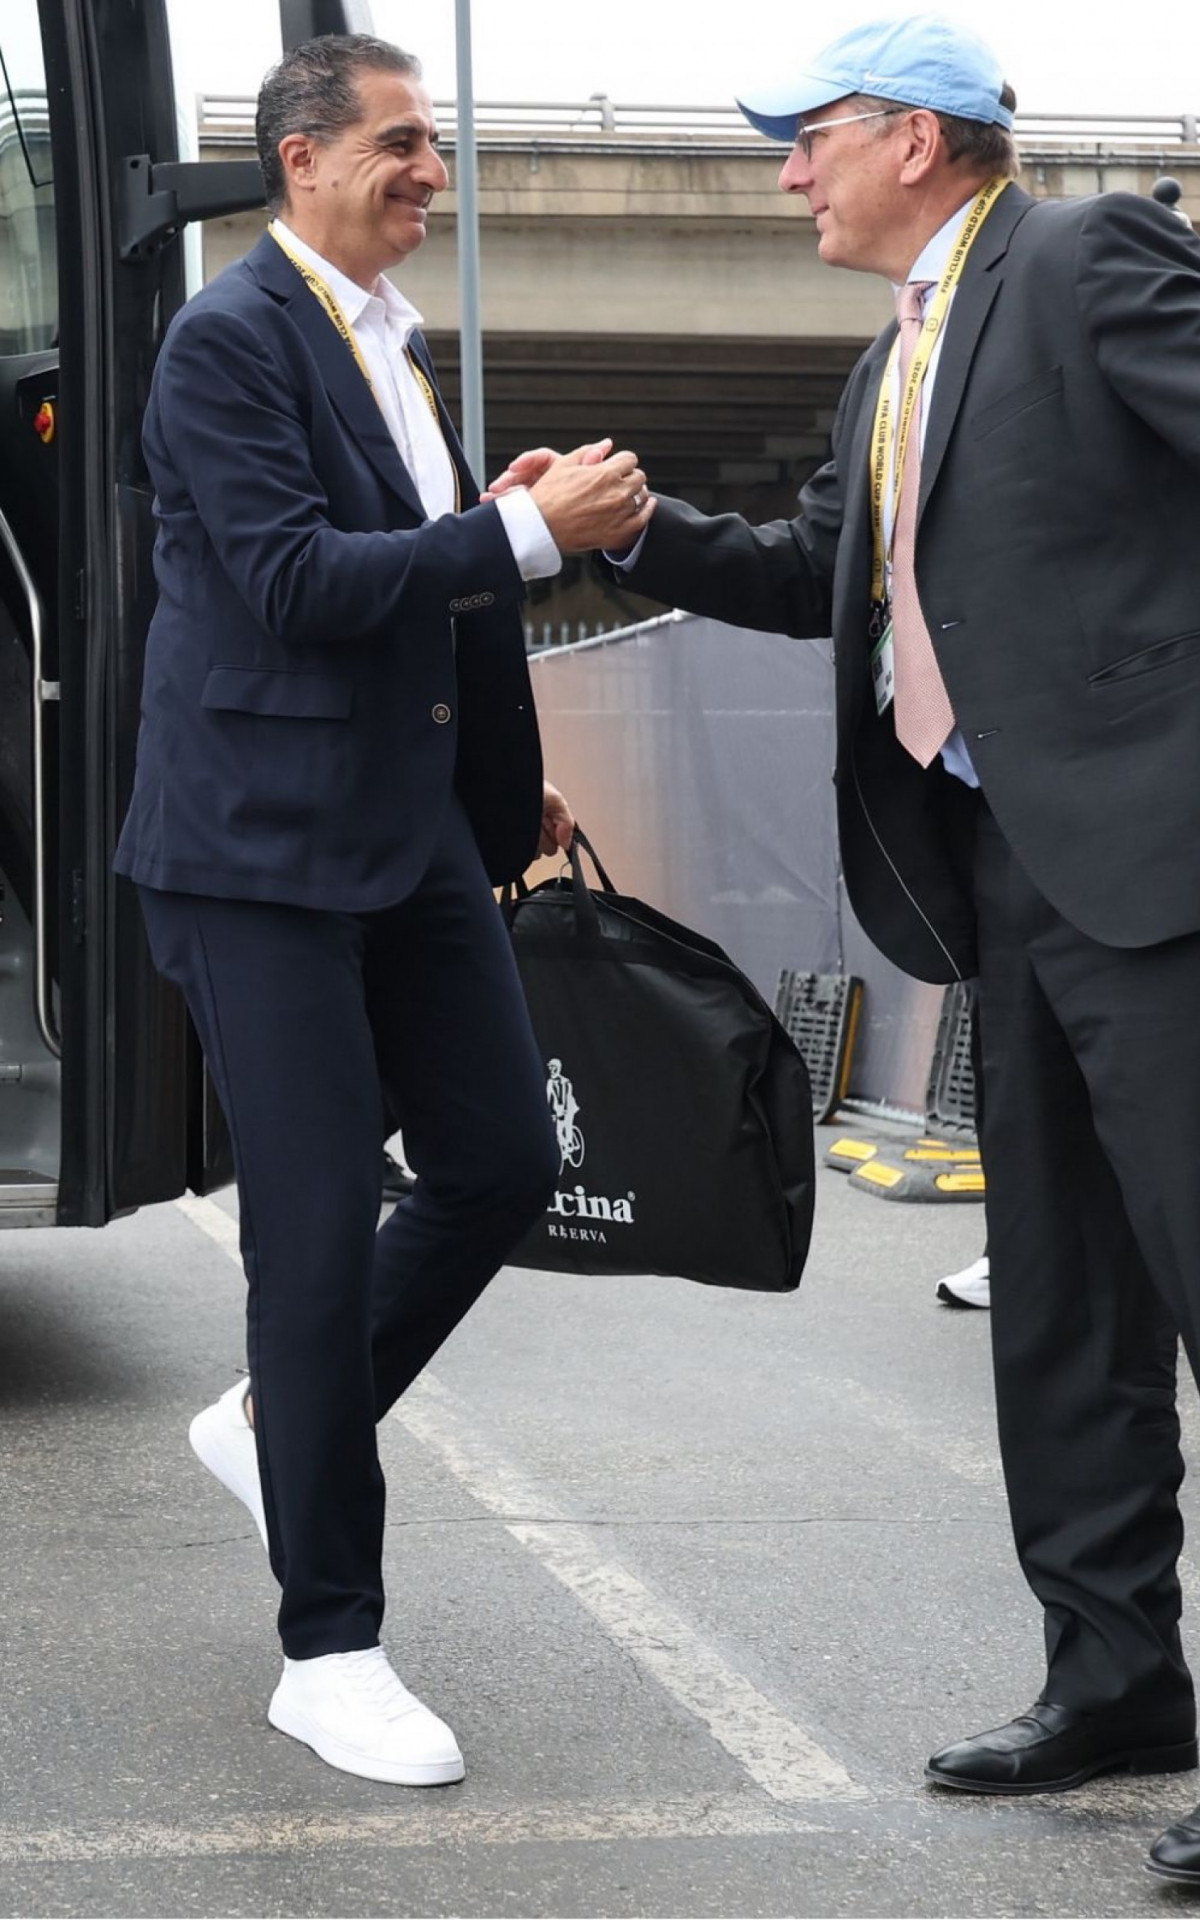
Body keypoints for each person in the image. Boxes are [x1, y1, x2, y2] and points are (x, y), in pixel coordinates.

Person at [493, 10, 1200, 1877]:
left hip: (1162, 860)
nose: (786, 173)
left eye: (809, 139)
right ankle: (1117, 1676)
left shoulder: (1083, 255)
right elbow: (824, 584)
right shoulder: (885, 369)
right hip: (1002, 869)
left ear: (915, 137)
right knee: (1063, 1303)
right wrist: (630, 538)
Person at [114, 32, 654, 1789]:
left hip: (409, 835)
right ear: (299, 161)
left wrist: (509, 782)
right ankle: (327, 1645)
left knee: (500, 1159)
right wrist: (525, 540)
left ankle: (282, 1415)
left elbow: (408, 600)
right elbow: (286, 583)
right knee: (319, 1222)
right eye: (404, 145)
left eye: (439, 146)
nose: (435, 172)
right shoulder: (227, 338)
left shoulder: (392, 349)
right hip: (254, 854)